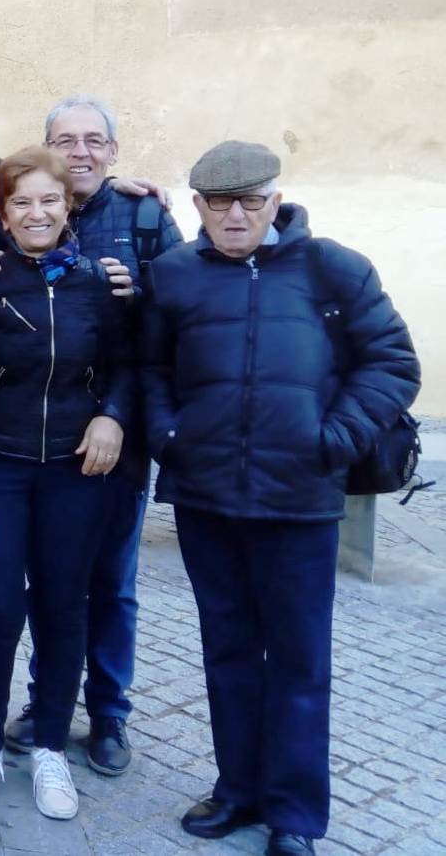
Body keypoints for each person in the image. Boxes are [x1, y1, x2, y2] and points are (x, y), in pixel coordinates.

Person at [141, 141, 419, 856]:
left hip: (299, 500)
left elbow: (392, 362)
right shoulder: (173, 275)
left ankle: (294, 813)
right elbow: (147, 367)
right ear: (196, 206)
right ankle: (237, 788)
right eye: (218, 202)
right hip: (207, 496)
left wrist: (331, 439)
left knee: (298, 661)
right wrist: (167, 434)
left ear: (275, 200)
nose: (235, 214)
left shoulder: (333, 268)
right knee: (227, 652)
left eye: (250, 200)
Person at [0, 94, 183, 775]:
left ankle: (104, 715)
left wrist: (116, 413)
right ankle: (22, 717)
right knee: (18, 596)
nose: (80, 150)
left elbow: (164, 323)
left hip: (107, 441)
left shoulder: (143, 216)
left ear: (112, 152)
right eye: (66, 139)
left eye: (94, 139)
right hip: (13, 450)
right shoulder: (0, 255)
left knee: (101, 585)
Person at [0, 146, 132, 821]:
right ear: (3, 212)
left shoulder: (97, 283)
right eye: (21, 202)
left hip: (76, 472)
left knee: (62, 604)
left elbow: (126, 365)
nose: (36, 212)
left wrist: (111, 414)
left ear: (67, 204)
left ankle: (48, 740)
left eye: (48, 199)